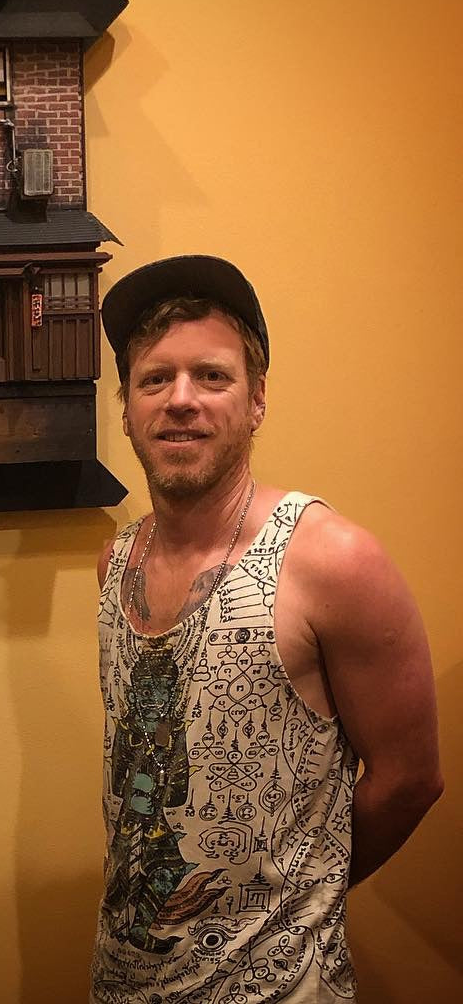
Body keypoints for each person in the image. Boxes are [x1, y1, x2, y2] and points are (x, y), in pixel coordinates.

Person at [90, 255, 442, 1002]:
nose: (181, 400)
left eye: (211, 377)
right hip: (124, 981)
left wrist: (296, 905)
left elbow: (411, 780)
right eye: (156, 379)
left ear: (256, 401)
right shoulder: (117, 561)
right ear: (126, 407)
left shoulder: (332, 562)